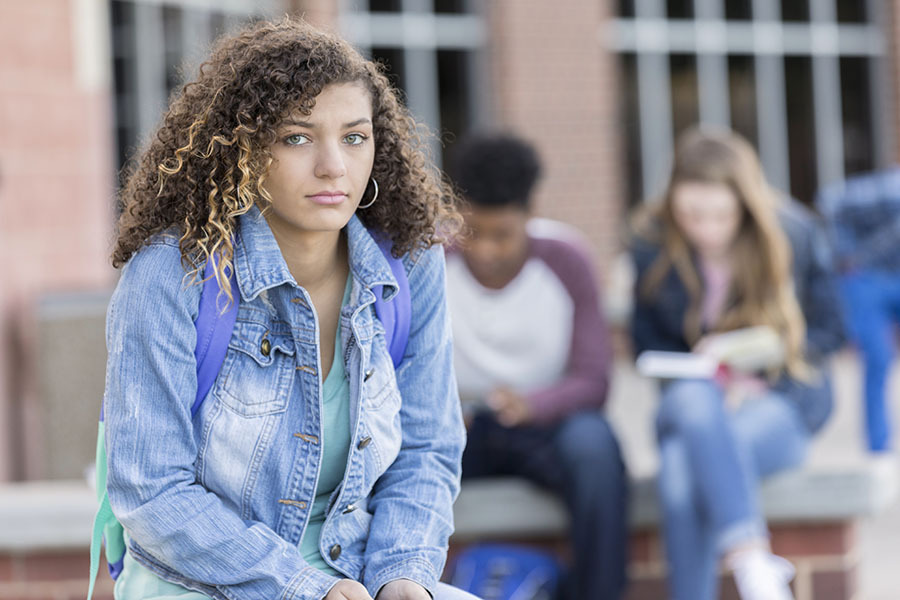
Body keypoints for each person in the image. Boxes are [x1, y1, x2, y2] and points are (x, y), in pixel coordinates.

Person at [102, 17, 475, 600]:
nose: (334, 166)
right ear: (243, 148)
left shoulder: (410, 263)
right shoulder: (175, 274)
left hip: (358, 575)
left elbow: (427, 450)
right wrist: (303, 588)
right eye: (297, 137)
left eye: (354, 137)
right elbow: (151, 491)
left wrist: (404, 576)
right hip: (203, 581)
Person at [629, 127, 844, 600]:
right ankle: (754, 566)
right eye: (690, 214)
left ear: (745, 206)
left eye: (720, 215)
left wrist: (760, 351)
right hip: (688, 407)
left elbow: (830, 330)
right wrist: (705, 370)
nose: (705, 229)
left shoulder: (793, 232)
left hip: (777, 403)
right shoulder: (650, 243)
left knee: (682, 473)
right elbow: (644, 345)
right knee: (692, 394)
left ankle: (741, 566)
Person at [446, 133, 628, 600]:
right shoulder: (430, 260)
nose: (485, 249)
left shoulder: (568, 260)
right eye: (473, 232)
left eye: (502, 234)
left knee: (596, 448)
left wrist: (533, 404)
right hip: (459, 430)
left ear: (529, 216)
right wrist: (443, 411)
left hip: (545, 427)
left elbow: (594, 380)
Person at [816, 168, 900, 452]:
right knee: (878, 357)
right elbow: (829, 199)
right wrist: (847, 254)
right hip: (871, 280)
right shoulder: (889, 190)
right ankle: (879, 446)